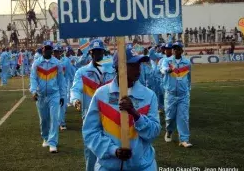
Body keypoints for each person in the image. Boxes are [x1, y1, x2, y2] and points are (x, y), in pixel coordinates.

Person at [82, 47, 161, 171]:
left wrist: (136, 115)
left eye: (139, 64)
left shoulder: (149, 95)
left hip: (142, 166)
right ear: (119, 67)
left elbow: (153, 133)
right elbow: (90, 132)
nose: (138, 69)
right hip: (108, 166)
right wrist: (113, 150)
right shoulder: (101, 94)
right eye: (133, 65)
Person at [70, 39, 116, 171]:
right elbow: (75, 88)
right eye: (94, 52)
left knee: (111, 148)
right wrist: (75, 100)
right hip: (90, 115)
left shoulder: (112, 69)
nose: (97, 54)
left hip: (110, 115)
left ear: (103, 52)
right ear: (90, 53)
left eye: (99, 51)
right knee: (91, 151)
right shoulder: (82, 72)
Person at [30, 40, 65, 153]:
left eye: (49, 48)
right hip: (40, 95)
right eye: (45, 48)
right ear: (43, 49)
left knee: (54, 119)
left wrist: (62, 96)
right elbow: (33, 78)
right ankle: (45, 137)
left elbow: (61, 80)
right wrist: (34, 91)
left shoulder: (57, 63)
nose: (47, 50)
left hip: (54, 95)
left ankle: (53, 142)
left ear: (52, 50)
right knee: (44, 120)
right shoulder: (36, 63)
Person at [160, 42, 192, 148]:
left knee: (183, 117)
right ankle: (169, 131)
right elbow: (163, 70)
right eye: (174, 49)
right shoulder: (166, 61)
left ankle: (184, 139)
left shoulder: (187, 62)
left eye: (178, 49)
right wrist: (169, 70)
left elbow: (188, 78)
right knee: (170, 118)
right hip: (170, 95)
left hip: (183, 95)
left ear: (182, 51)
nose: (175, 51)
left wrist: (188, 90)